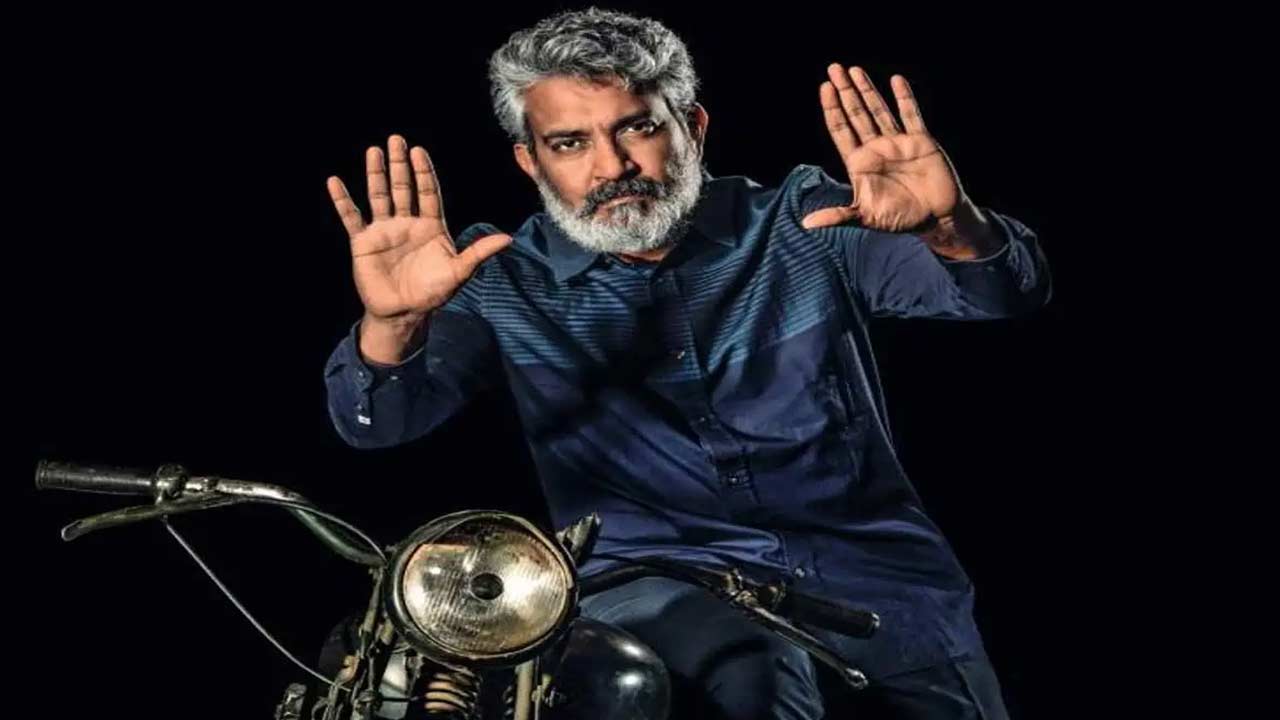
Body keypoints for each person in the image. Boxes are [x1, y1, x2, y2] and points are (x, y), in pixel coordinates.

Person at [322, 7, 1050, 718]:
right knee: (754, 671)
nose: (612, 167)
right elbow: (377, 424)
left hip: (888, 592)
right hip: (658, 596)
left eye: (637, 127)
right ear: (531, 161)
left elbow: (1003, 293)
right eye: (570, 143)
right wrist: (395, 323)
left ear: (692, 127)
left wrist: (950, 226)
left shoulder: (807, 224)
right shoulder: (502, 279)